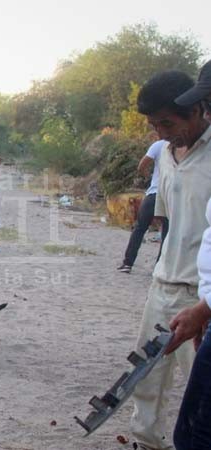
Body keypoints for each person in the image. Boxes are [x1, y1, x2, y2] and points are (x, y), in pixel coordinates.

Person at [127, 70, 211, 450]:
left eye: (167, 123)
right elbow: (167, 221)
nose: (160, 133)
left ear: (197, 110)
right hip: (163, 283)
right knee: (146, 375)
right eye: (153, 124)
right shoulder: (164, 155)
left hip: (201, 295)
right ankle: (145, 442)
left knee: (201, 389)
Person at [158, 59, 211, 450]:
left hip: (201, 296)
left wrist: (204, 307)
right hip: (181, 286)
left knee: (196, 435)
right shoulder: (165, 154)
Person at [117, 134, 169, 274]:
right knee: (167, 231)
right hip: (170, 195)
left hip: (154, 193)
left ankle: (128, 263)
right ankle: (159, 267)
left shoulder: (158, 145)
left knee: (140, 228)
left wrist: (149, 177)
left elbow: (142, 165)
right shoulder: (183, 146)